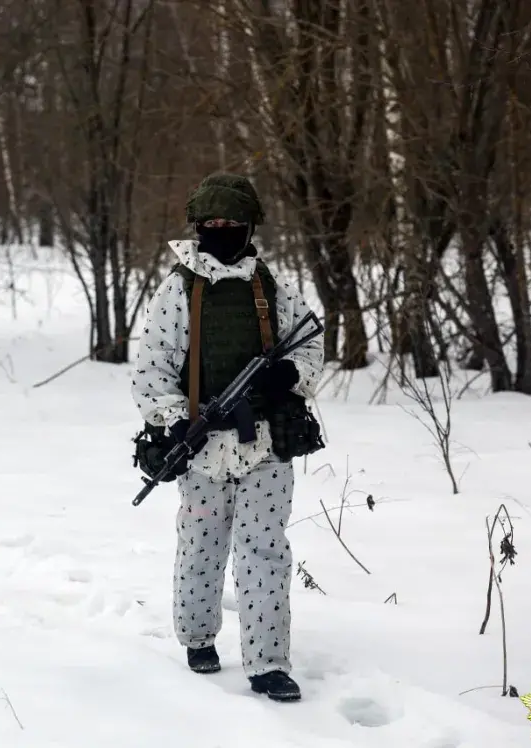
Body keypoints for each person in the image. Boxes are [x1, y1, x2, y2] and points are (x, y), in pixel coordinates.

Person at [130, 173, 324, 702]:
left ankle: (268, 664)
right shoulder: (179, 289)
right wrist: (175, 424)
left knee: (265, 551)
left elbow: (311, 346)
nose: (221, 231)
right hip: (201, 450)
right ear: (197, 228)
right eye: (210, 224)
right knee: (201, 547)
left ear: (249, 226)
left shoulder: (271, 288)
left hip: (265, 444)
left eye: (231, 223)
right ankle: (197, 637)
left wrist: (284, 376)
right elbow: (151, 369)